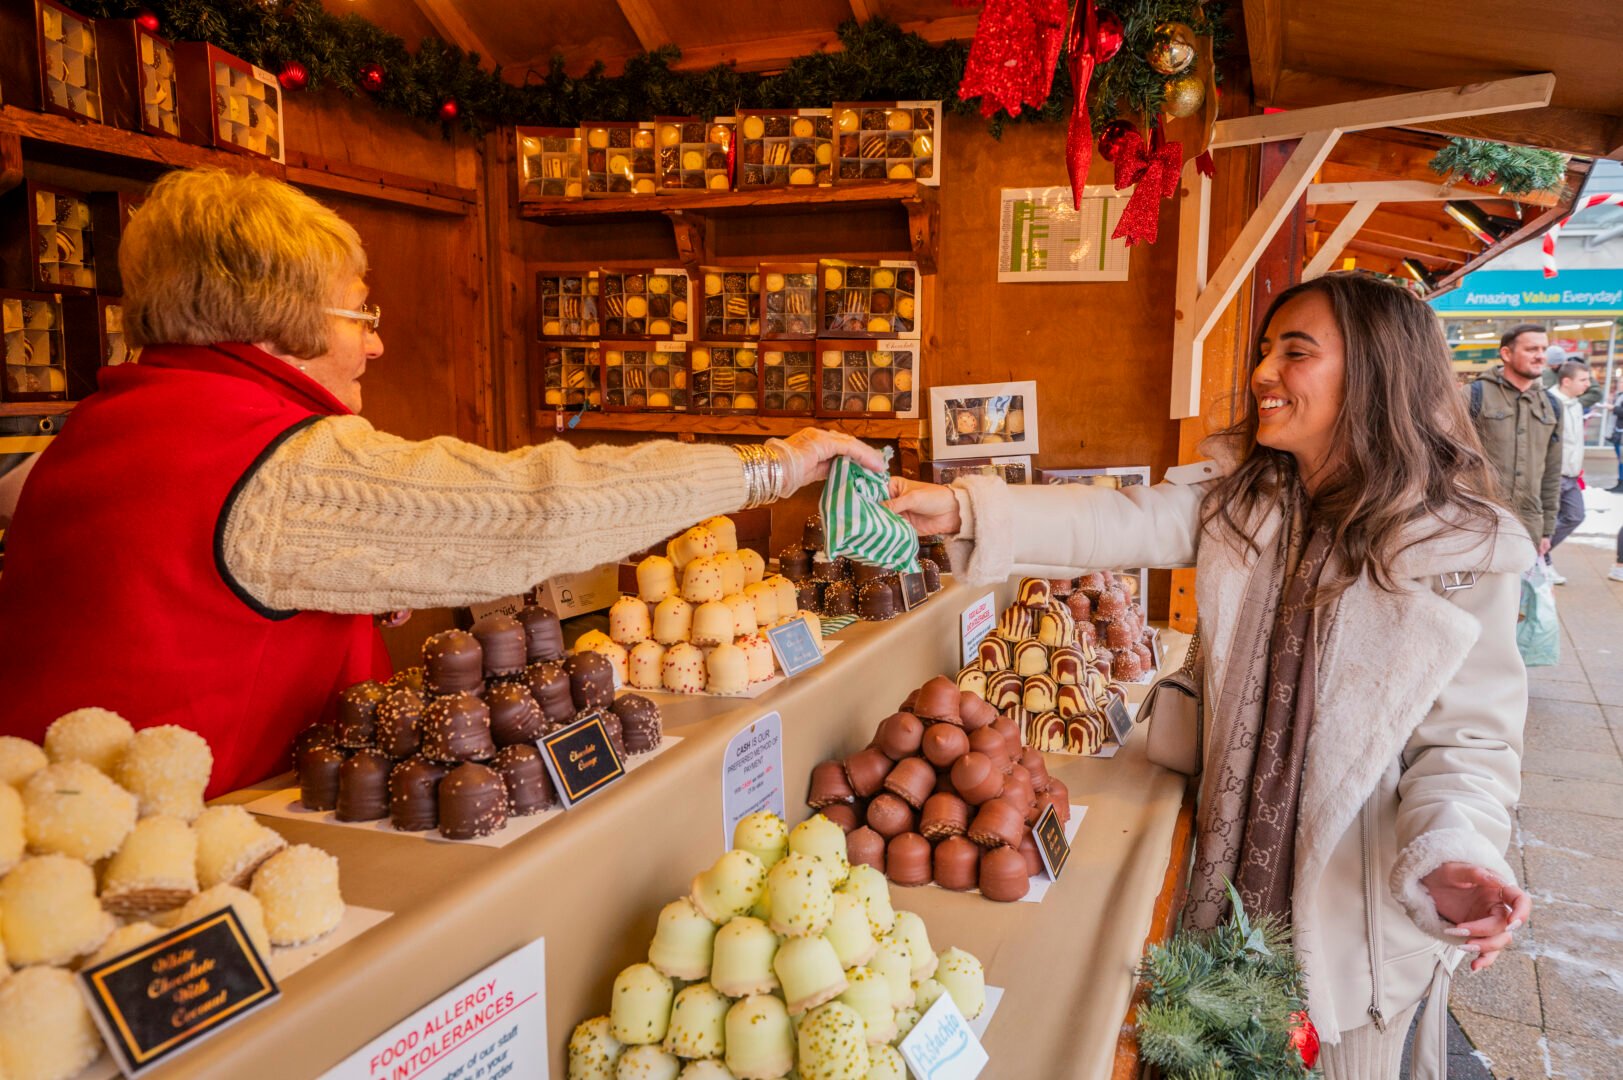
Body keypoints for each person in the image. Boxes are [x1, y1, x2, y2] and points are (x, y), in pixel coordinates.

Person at [0, 168, 883, 794]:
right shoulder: (273, 463)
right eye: (359, 313)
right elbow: (534, 511)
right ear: (274, 313)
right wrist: (767, 465)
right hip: (189, 865)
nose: (376, 343)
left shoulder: (103, 426)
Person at [888, 273, 1530, 1079]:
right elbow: (1115, 519)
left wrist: (1453, 854)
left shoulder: (1459, 548)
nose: (1261, 373)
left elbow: (1469, 744)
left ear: (1374, 373)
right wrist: (963, 511)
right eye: (1265, 350)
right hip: (1222, 886)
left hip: (1351, 926)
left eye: (1294, 353)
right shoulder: (1246, 496)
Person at [1466, 324, 1560, 563]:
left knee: (1520, 597)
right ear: (1506, 354)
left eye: (1543, 348)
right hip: (1479, 522)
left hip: (1528, 524)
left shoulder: (1552, 405)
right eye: (1531, 349)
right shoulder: (1473, 395)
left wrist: (1547, 529)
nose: (1540, 355)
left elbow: (1551, 472)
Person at [1545, 359, 1592, 580]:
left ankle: (1538, 555)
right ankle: (1542, 561)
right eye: (1583, 380)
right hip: (1552, 476)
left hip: (1572, 476)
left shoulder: (1577, 404)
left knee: (1575, 515)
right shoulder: (1549, 403)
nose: (1588, 385)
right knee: (1545, 523)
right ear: (1566, 381)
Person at [1607, 390, 1623, 493]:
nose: (1621, 384)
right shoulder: (1619, 396)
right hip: (1618, 431)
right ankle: (1620, 482)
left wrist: (1614, 408)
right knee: (1620, 459)